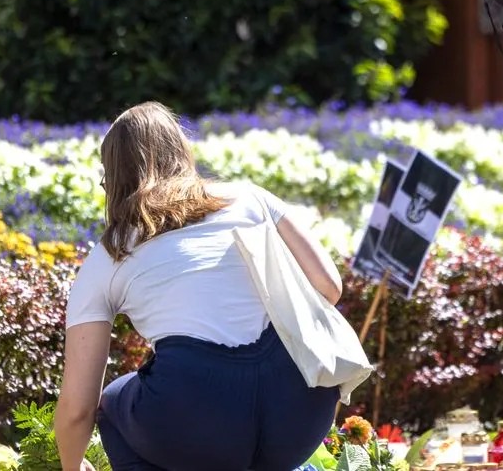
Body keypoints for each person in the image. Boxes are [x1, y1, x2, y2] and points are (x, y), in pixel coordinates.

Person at [55, 101, 343, 471]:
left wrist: (73, 468)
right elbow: (329, 287)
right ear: (181, 152)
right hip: (301, 410)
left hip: (199, 418)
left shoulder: (109, 255)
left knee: (114, 404)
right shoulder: (250, 198)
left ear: (114, 178)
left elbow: (78, 409)